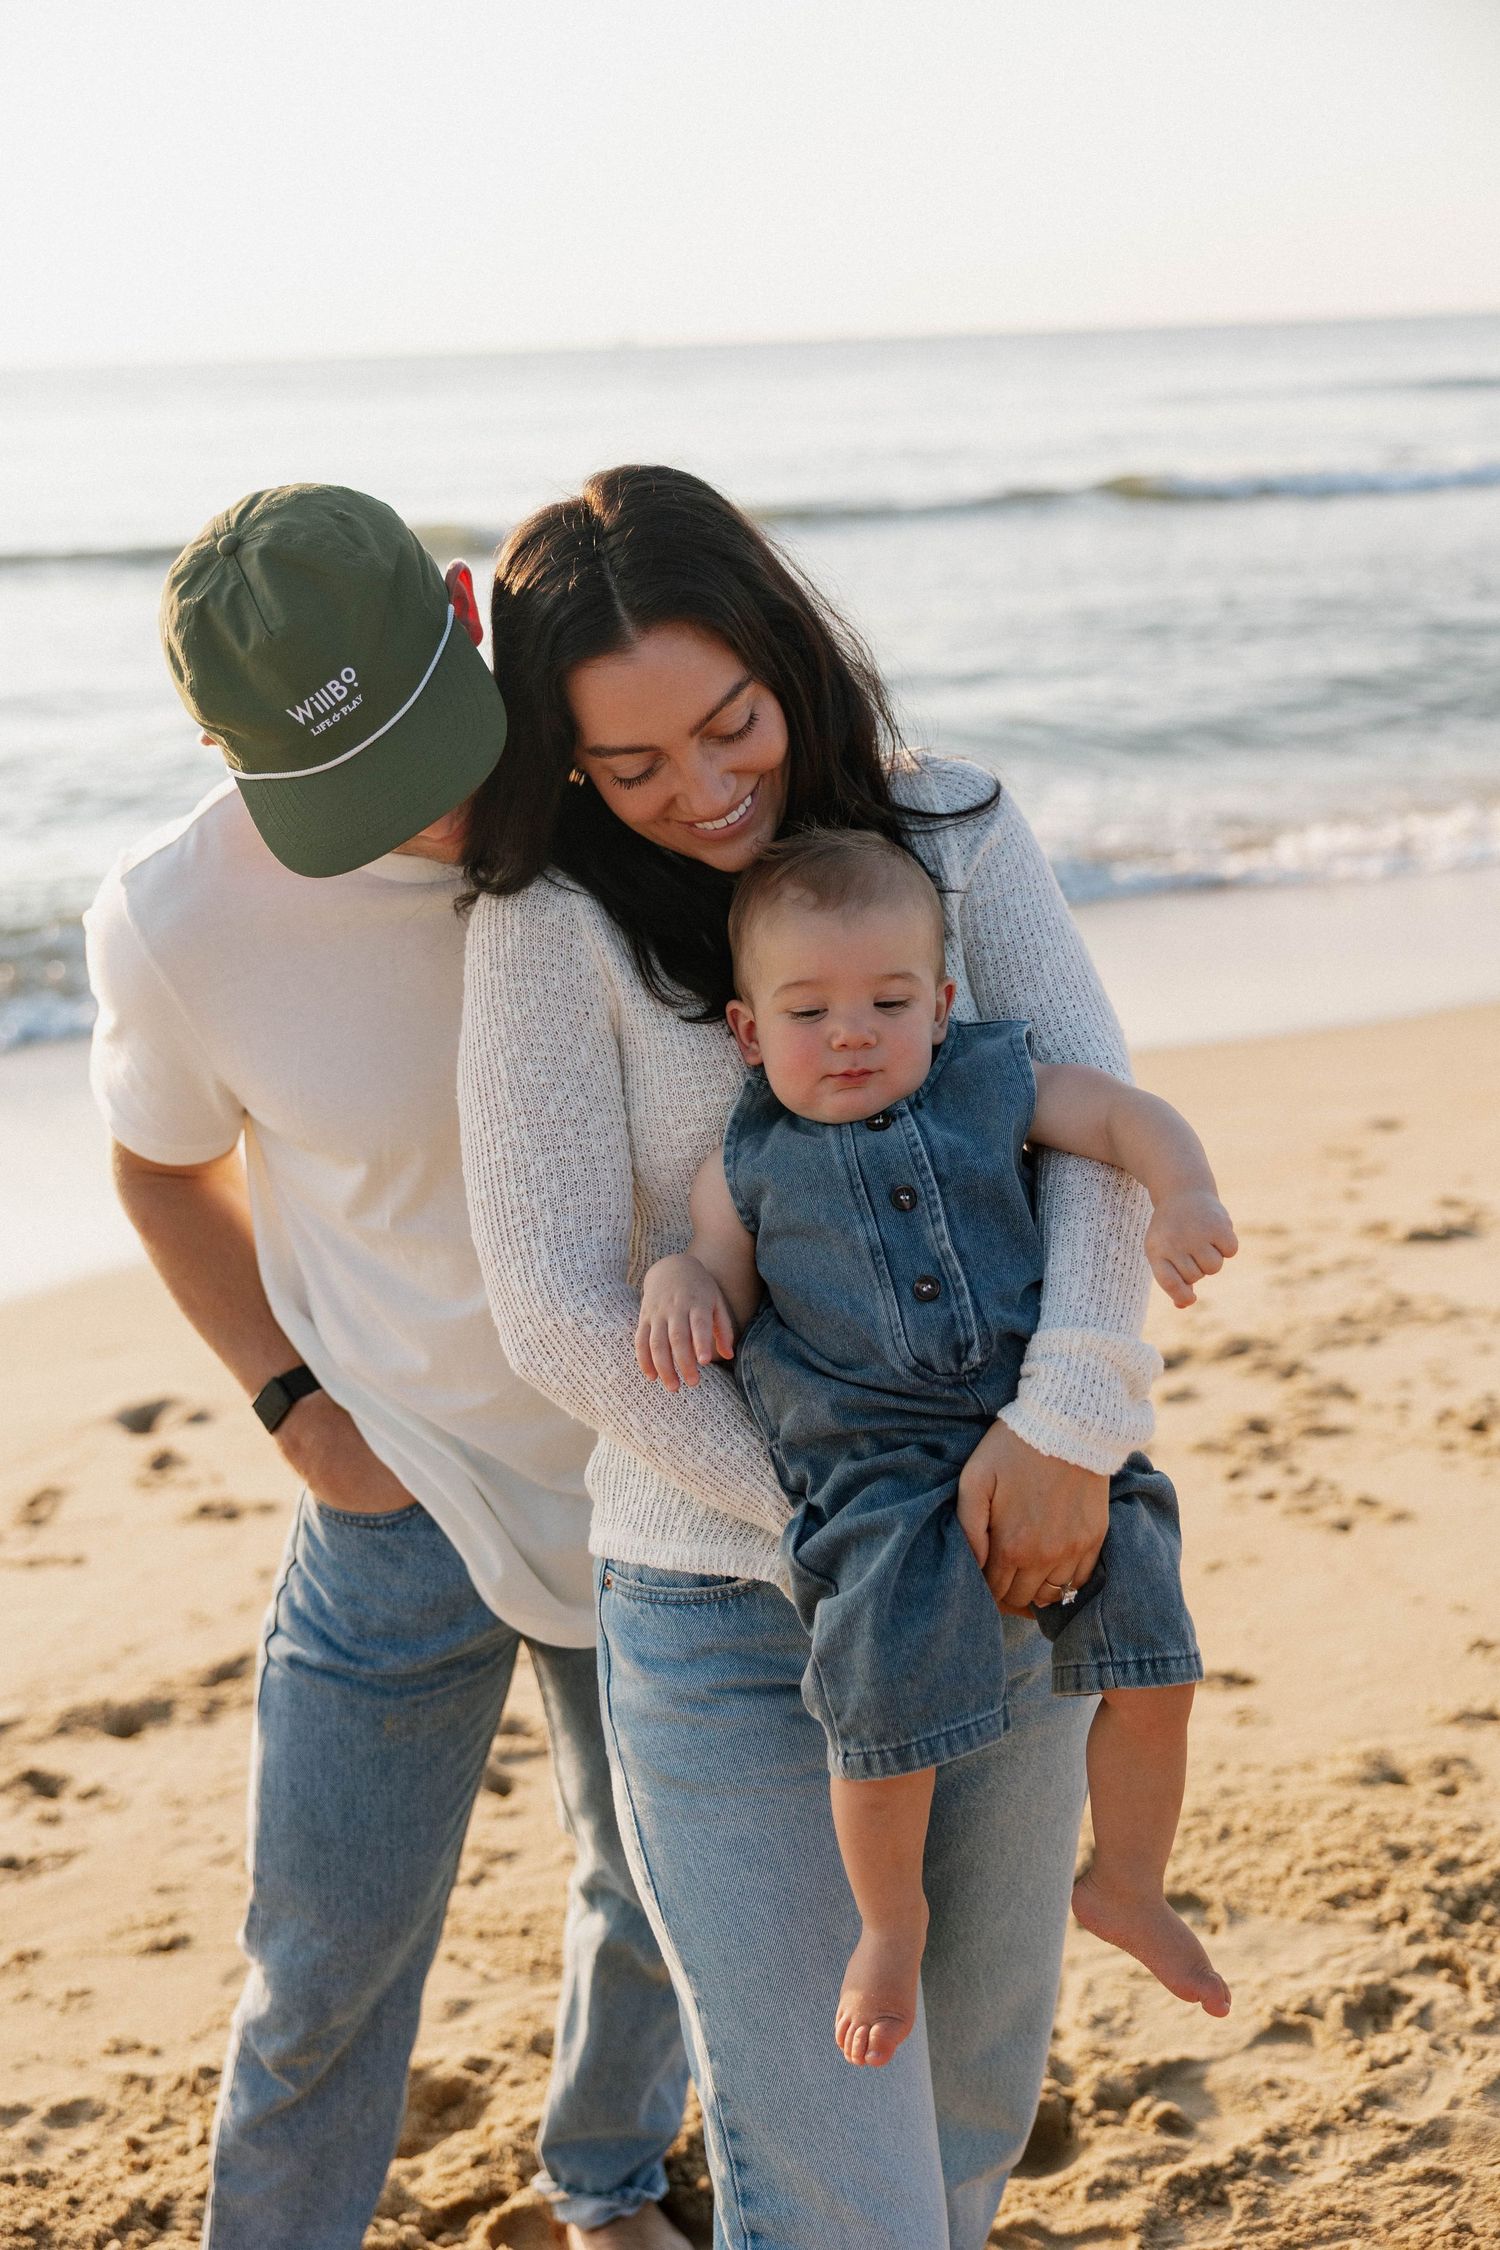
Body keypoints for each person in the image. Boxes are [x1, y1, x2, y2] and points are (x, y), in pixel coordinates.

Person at [458, 464, 1171, 2248]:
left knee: (962, 2123)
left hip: (1017, 1565)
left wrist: (1072, 1421)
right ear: (566, 762)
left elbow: (1089, 1130)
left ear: (789, 660)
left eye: (732, 726)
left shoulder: (954, 837)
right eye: (631, 767)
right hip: (722, 1611)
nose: (700, 794)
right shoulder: (546, 929)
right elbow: (552, 1301)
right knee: (842, 2192)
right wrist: (853, 1520)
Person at [84, 484, 692, 2250]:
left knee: (653, 1891)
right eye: (359, 792)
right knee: (323, 1973)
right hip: (396, 1490)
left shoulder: (604, 779)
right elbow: (156, 1164)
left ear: (459, 605)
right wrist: (296, 1409)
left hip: (650, 1460)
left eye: (434, 741)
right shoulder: (181, 921)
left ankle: (603, 2176)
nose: (434, 812)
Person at [635, 827, 1235, 2070]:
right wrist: (676, 1288)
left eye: (889, 1002)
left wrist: (1184, 1191)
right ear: (747, 1031)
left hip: (1040, 1432)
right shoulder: (742, 1162)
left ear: (944, 1006)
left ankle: (1127, 1880)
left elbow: (1123, 1118)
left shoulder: (991, 1081)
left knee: (1157, 1661)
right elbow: (719, 1288)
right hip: (876, 1481)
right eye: (809, 1011)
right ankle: (891, 1924)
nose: (851, 1031)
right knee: (884, 1713)